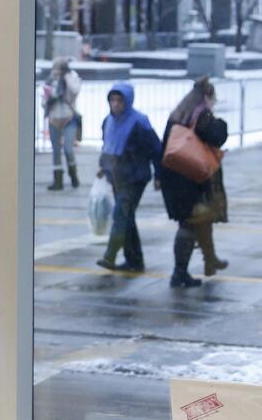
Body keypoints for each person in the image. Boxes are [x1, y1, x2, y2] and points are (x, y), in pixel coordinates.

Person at [159, 77, 229, 289]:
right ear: (207, 96)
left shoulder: (178, 114)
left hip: (173, 176)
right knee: (190, 223)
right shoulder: (202, 115)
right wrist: (222, 123)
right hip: (191, 177)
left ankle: (210, 260)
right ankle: (179, 273)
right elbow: (216, 136)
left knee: (198, 220)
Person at [95, 82, 161, 274]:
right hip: (117, 177)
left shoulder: (139, 122)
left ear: (127, 101)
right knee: (127, 218)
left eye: (119, 100)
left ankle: (110, 255)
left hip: (135, 177)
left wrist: (159, 174)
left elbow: (156, 148)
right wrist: (103, 166)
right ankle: (135, 260)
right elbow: (107, 146)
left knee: (121, 215)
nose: (115, 104)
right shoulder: (108, 121)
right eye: (112, 100)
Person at [42, 57, 82, 190]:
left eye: (58, 68)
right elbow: (45, 97)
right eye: (54, 68)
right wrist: (47, 100)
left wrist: (65, 78)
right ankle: (57, 181)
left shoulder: (71, 76)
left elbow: (75, 90)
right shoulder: (51, 79)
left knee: (68, 149)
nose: (56, 71)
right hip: (53, 117)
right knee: (56, 151)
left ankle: (73, 175)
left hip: (68, 117)